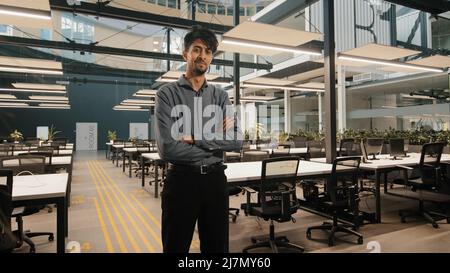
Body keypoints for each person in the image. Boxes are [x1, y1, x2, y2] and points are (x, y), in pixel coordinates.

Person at [155, 25, 242, 253]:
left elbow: (236, 140)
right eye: (197, 49)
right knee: (176, 247)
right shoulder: (166, 94)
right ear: (186, 54)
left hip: (215, 182)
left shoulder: (221, 96)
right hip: (181, 182)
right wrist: (215, 144)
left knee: (217, 250)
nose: (202, 55)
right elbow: (167, 149)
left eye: (207, 51)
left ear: (211, 57)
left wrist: (195, 138)